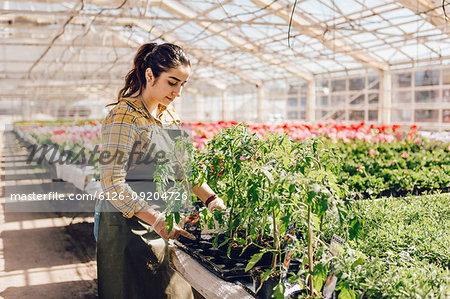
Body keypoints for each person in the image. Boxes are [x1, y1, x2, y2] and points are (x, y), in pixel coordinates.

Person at [97, 42, 226, 299]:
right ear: (149, 75)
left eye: (182, 84)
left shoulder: (169, 117)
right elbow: (112, 182)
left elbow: (183, 170)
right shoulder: (124, 117)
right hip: (129, 230)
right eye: (172, 82)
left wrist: (211, 199)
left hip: (166, 226)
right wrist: (155, 219)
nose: (178, 91)